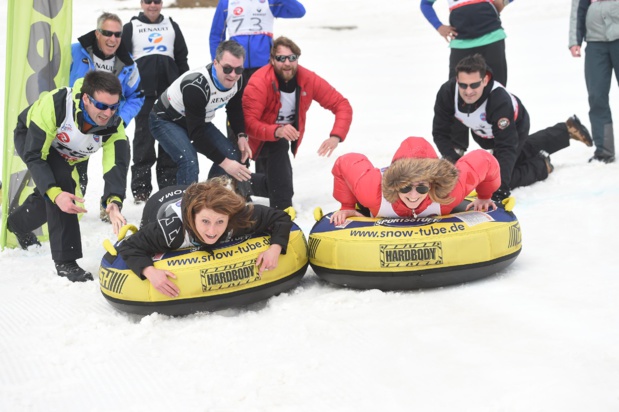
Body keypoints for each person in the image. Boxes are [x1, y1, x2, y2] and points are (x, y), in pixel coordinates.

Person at [6, 71, 130, 282]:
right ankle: (66, 261)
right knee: (61, 187)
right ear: (85, 98)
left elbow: (116, 163)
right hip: (34, 139)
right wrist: (55, 192)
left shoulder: (114, 125)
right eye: (101, 106)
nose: (107, 113)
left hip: (71, 153)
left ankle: (18, 223)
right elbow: (35, 155)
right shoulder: (56, 104)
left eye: (113, 106)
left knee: (62, 198)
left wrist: (114, 200)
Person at [432, 54, 593, 201]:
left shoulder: (498, 100)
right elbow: (440, 132)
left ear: (485, 80)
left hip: (515, 127)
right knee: (495, 166)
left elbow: (506, 147)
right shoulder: (447, 93)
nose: (468, 91)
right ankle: (564, 130)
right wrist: (454, 160)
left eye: (474, 85)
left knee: (495, 176)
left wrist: (498, 188)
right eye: (463, 85)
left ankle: (541, 166)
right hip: (483, 133)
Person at [115, 177, 293, 298]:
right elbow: (128, 246)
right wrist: (149, 271)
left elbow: (280, 217)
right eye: (205, 221)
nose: (212, 231)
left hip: (192, 194)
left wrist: (275, 248)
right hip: (160, 203)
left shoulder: (237, 217)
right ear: (193, 218)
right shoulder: (170, 230)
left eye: (220, 222)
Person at [242, 36, 353, 210]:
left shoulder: (308, 79)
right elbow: (248, 123)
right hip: (250, 136)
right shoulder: (259, 81)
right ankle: (278, 210)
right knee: (270, 180)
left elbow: (342, 105)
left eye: (292, 58)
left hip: (278, 138)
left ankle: (270, 203)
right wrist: (277, 130)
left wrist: (335, 137)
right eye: (281, 58)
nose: (287, 63)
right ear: (272, 60)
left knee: (278, 184)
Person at [69, 12, 143, 217]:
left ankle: (110, 205)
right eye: (107, 33)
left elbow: (137, 96)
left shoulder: (128, 65)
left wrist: (121, 118)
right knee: (77, 173)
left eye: (117, 34)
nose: (113, 39)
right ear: (97, 33)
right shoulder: (75, 52)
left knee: (119, 156)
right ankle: (72, 207)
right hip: (77, 123)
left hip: (109, 121)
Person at [330, 137, 500, 226]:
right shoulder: (372, 191)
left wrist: (485, 195)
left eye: (421, 188)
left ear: (433, 184)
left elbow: (484, 160)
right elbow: (346, 161)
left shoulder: (449, 192)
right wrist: (347, 206)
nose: (413, 196)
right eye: (404, 188)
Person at [150, 40, 251, 188]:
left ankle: (208, 198)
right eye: (227, 69)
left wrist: (241, 135)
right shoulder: (196, 86)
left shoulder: (239, 80)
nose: (233, 75)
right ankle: (184, 207)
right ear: (215, 63)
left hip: (195, 119)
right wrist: (225, 164)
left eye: (238, 70)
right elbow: (196, 135)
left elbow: (234, 108)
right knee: (189, 161)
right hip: (165, 120)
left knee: (231, 155)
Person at [421, 0, 512, 156]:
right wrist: (439, 26)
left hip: (492, 37)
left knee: (496, 91)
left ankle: (499, 144)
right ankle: (456, 146)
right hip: (461, 43)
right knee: (458, 93)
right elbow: (425, 4)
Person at [122, 0, 190, 203]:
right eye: (148, 1)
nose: (152, 5)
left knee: (169, 140)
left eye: (157, 1)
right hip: (143, 94)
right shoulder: (131, 27)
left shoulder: (171, 25)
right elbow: (123, 61)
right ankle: (141, 190)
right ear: (142, 4)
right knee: (144, 141)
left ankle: (167, 187)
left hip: (170, 95)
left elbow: (182, 59)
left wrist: (185, 88)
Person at [209, 0, 306, 138]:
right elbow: (216, 35)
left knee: (266, 111)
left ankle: (264, 153)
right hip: (236, 70)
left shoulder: (270, 2)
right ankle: (236, 149)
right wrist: (218, 64)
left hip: (263, 70)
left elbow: (299, 11)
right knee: (236, 109)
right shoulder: (226, 3)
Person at [569, 0, 618, 164]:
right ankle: (604, 150)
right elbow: (578, 7)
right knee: (597, 96)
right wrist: (574, 39)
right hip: (595, 43)